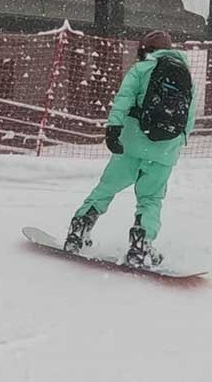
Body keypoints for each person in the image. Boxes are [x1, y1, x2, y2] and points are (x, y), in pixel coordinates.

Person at [64, 30, 197, 268]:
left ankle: (78, 230)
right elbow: (188, 119)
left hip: (132, 143)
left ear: (145, 50)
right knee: (151, 199)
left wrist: (113, 128)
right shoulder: (186, 75)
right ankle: (141, 244)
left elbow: (123, 99)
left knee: (106, 188)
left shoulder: (141, 69)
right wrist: (174, 145)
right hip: (165, 150)